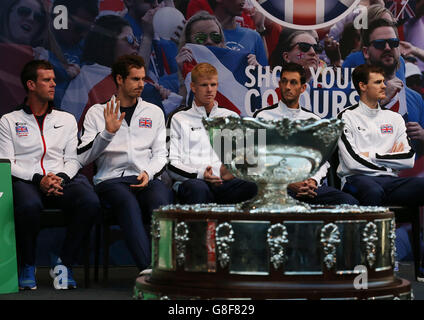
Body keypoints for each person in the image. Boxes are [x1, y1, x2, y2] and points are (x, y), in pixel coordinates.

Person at [0, 60, 101, 290]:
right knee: (28, 206)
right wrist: (39, 179)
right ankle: (28, 265)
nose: (54, 84)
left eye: (54, 79)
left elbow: (73, 159)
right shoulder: (9, 120)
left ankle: (64, 265)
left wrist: (60, 178)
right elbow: (7, 162)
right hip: (27, 181)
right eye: (47, 80)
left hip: (61, 179)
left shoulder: (65, 119)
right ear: (31, 85)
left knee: (90, 202)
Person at [78, 54, 173, 274]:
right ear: (119, 79)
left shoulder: (154, 111)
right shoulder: (97, 112)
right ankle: (150, 271)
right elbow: (83, 157)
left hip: (146, 177)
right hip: (111, 180)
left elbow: (161, 154)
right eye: (135, 79)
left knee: (161, 202)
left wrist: (149, 173)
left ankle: (168, 268)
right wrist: (107, 134)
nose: (141, 84)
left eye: (143, 79)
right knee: (126, 203)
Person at [253, 62, 359, 206]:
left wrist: (313, 181)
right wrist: (289, 183)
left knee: (349, 202)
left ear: (303, 88)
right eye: (284, 81)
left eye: (293, 82)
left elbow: (322, 160)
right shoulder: (262, 116)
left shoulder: (313, 120)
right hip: (275, 188)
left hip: (309, 188)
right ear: (279, 84)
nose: (287, 87)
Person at [167, 62, 257, 204]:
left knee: (253, 185)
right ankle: (203, 227)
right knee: (199, 188)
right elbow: (171, 164)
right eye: (204, 85)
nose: (209, 90)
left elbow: (244, 160)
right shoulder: (178, 118)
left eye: (213, 85)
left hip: (224, 184)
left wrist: (233, 172)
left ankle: (232, 226)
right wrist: (202, 174)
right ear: (193, 87)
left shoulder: (231, 116)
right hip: (193, 181)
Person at [60, 15, 173, 127]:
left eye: (136, 40)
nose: (136, 45)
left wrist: (164, 98)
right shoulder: (87, 79)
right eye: (129, 39)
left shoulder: (141, 84)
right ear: (107, 42)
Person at [337, 63, 424, 206]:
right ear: (363, 86)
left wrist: (369, 155)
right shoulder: (346, 116)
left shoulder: (395, 119)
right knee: (373, 191)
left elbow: (407, 159)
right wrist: (389, 158)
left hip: (391, 180)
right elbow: (352, 163)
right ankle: (372, 229)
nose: (384, 86)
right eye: (378, 82)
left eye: (383, 82)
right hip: (356, 179)